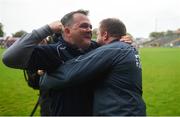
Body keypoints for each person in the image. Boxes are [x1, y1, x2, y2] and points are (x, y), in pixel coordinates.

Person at [2, 10, 132, 115]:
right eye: (83, 26)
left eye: (90, 27)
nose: (89, 30)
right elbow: (9, 58)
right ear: (67, 31)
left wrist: (123, 41)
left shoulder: (96, 48)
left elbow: (118, 50)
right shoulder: (53, 51)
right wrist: (48, 28)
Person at [40, 18, 146, 116]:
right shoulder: (127, 48)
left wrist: (45, 78)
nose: (95, 38)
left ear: (105, 35)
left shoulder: (112, 49)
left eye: (98, 34)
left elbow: (72, 72)